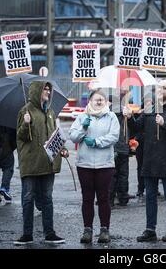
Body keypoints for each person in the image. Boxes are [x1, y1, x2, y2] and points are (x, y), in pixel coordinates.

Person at [125, 79, 166, 242]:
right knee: (150, 195)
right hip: (150, 158)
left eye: (164, 88)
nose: (160, 90)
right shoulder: (150, 108)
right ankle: (150, 229)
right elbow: (138, 127)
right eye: (158, 87)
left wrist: (165, 124)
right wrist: (130, 117)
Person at [14, 81, 69, 245]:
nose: (47, 92)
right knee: (28, 198)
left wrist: (62, 149)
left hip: (47, 163)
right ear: (37, 92)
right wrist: (26, 123)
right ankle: (27, 234)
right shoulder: (25, 111)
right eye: (44, 89)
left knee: (47, 198)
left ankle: (49, 233)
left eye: (48, 89)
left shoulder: (50, 112)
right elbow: (20, 137)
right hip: (31, 163)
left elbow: (54, 135)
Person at [69, 89, 120, 244]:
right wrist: (83, 128)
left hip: (105, 164)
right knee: (87, 198)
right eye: (96, 99)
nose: (99, 102)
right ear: (90, 101)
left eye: (101, 99)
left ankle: (104, 230)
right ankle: (87, 230)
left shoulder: (111, 117)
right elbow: (73, 137)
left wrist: (97, 142)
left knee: (104, 198)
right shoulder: (81, 117)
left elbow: (114, 137)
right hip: (84, 164)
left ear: (105, 102)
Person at [109, 90, 133, 207]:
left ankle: (110, 199)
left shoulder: (108, 112)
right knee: (123, 173)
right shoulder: (126, 110)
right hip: (124, 145)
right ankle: (123, 197)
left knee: (112, 174)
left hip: (113, 146)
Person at [0, 127, 17, 203]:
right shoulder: (9, 121)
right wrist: (11, 147)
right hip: (6, 147)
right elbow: (14, 136)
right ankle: (4, 188)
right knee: (8, 168)